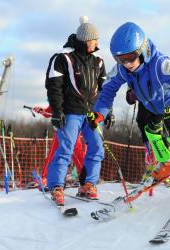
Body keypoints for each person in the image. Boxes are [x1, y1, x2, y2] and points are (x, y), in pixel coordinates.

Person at [91, 22, 170, 199]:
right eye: (121, 59)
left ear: (143, 50)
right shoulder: (123, 69)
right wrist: (99, 113)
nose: (127, 63)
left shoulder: (161, 64)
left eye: (131, 57)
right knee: (151, 132)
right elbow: (108, 89)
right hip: (152, 106)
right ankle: (167, 161)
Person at [45, 16, 106, 206]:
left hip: (91, 114)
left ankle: (88, 184)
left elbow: (104, 91)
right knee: (66, 149)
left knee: (96, 147)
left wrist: (104, 113)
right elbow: (53, 86)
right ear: (87, 40)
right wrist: (57, 112)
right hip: (70, 112)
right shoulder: (63, 58)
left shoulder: (99, 62)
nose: (97, 43)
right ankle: (56, 186)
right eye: (94, 39)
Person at [32, 105, 86, 186]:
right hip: (62, 129)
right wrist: (42, 110)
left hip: (73, 127)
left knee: (77, 153)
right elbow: (50, 111)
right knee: (53, 153)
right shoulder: (58, 96)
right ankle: (46, 178)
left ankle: (87, 178)